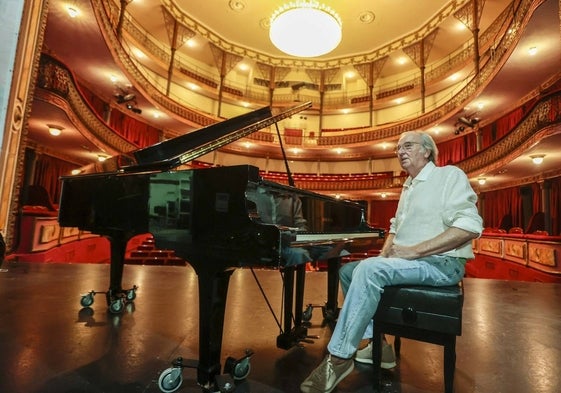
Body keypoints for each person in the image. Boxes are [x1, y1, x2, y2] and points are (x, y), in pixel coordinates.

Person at [300, 130, 483, 393]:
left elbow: (470, 226)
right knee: (350, 271)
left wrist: (414, 251)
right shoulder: (408, 186)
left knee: (368, 270)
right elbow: (395, 228)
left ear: (427, 151)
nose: (400, 152)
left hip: (442, 264)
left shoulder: (448, 176)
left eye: (408, 146)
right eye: (398, 148)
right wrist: (383, 256)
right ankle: (380, 347)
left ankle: (339, 358)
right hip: (414, 262)